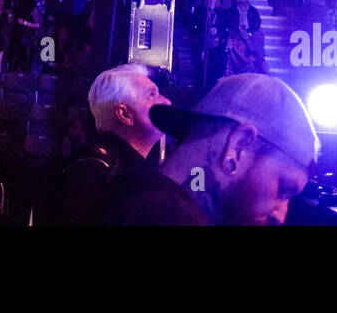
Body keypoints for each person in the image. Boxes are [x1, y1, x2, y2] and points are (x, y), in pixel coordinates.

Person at [100, 74, 318, 226]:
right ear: (238, 147)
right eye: (284, 189)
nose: (281, 215)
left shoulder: (124, 193)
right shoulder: (171, 218)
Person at [56, 64, 169, 226]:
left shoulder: (122, 168)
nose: (167, 101)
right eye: (152, 95)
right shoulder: (94, 171)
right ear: (124, 114)